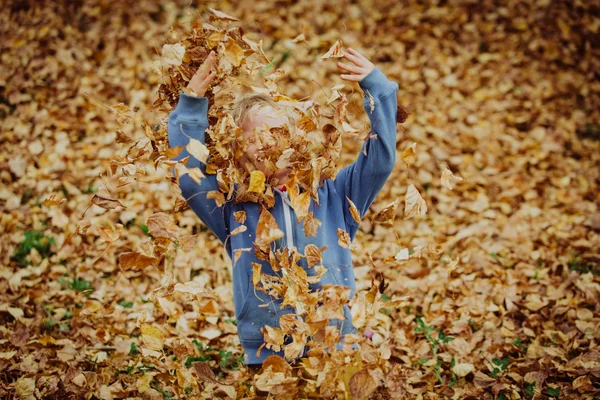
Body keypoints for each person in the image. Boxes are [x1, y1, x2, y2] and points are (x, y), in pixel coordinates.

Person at [167, 47, 400, 368]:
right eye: (254, 136)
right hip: (266, 352)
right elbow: (190, 177)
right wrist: (191, 106)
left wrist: (378, 89)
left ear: (296, 140)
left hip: (333, 346)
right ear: (235, 150)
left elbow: (380, 161)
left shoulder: (333, 196)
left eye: (277, 133)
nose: (267, 142)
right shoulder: (232, 207)